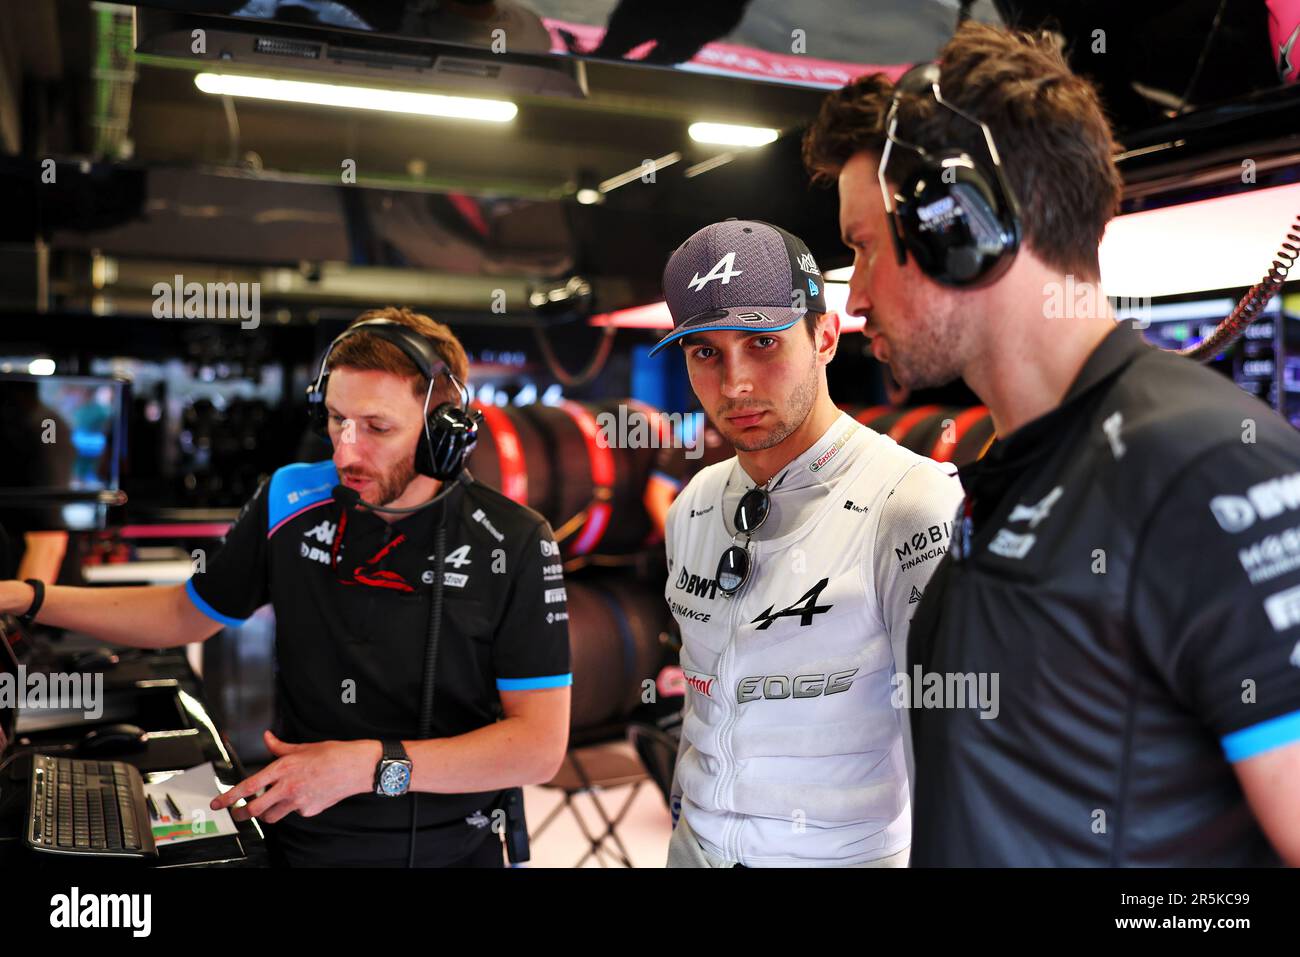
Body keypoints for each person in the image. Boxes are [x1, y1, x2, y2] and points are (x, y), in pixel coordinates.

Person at [802, 21, 1300, 865]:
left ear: (957, 224)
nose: (853, 303)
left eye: (862, 249)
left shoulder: (1204, 468)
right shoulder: (1009, 478)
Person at [0, 306, 572, 867]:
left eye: (377, 427)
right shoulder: (290, 497)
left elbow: (538, 749)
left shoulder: (515, 541)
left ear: (442, 432)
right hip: (307, 838)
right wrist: (28, 597)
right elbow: (185, 614)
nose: (346, 449)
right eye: (335, 419)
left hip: (455, 848)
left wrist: (364, 766)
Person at [650, 218, 963, 867]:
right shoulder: (694, 508)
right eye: (705, 351)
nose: (734, 383)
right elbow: (703, 707)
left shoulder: (912, 504)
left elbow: (963, 751)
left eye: (762, 341)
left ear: (825, 334)